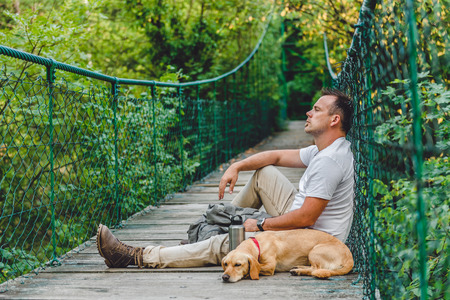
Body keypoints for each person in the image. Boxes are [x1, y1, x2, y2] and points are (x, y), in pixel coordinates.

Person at [96, 88, 354, 269]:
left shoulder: (330, 161)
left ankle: (136, 257)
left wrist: (261, 227)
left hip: (309, 242)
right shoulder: (325, 150)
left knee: (227, 246)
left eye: (316, 109)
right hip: (304, 226)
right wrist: (237, 165)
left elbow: (306, 218)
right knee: (264, 173)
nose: (308, 112)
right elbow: (274, 156)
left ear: (334, 119)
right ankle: (221, 229)